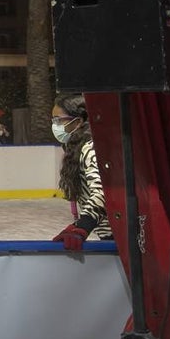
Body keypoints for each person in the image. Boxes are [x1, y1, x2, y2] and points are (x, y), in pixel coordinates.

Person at [51, 94, 113, 250]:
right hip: (110, 235)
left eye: (58, 120)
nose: (54, 125)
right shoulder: (78, 147)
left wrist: (82, 227)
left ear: (78, 121)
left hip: (118, 237)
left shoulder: (91, 148)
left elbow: (102, 193)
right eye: (53, 121)